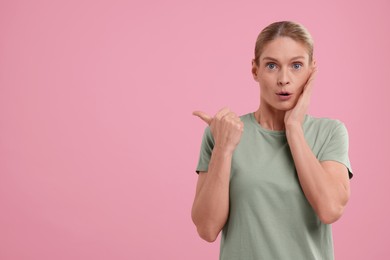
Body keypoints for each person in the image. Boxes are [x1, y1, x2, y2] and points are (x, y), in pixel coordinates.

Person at [191, 21, 353, 260]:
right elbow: (207, 229)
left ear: (311, 70)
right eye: (271, 66)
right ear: (255, 70)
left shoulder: (330, 132)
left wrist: (294, 127)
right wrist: (224, 149)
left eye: (297, 65)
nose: (284, 79)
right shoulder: (224, 133)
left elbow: (330, 210)